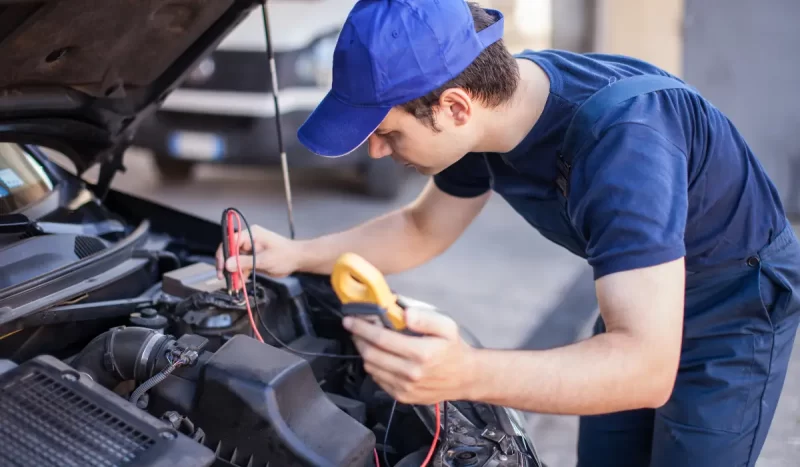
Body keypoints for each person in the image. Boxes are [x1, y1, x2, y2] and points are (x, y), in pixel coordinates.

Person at [216, 1, 800, 466]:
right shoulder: (489, 116)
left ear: (455, 107)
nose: (376, 150)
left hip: (733, 305)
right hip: (640, 297)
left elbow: (644, 368)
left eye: (387, 132)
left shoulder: (625, 144)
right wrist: (295, 253)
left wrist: (466, 372)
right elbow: (421, 227)